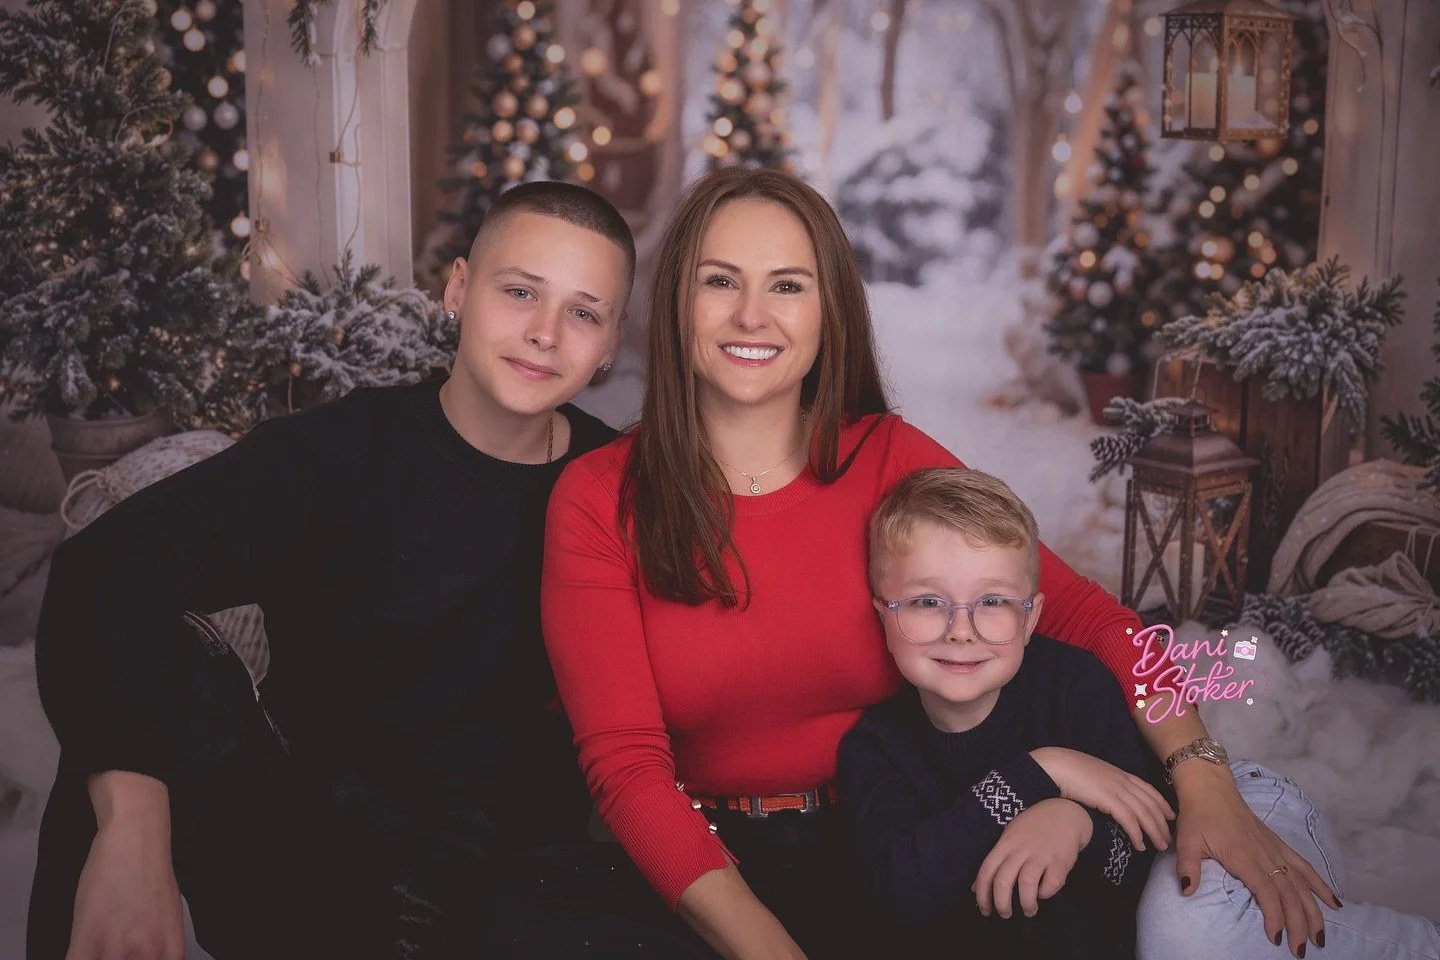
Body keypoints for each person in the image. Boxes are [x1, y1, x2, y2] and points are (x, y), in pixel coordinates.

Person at [541, 165, 1344, 960]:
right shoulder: (601, 496)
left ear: (830, 314)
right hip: (698, 867)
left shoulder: (890, 461)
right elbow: (627, 767)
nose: (753, 315)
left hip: (900, 832)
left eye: (788, 286)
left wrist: (1202, 776)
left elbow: (1086, 616)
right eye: (721, 280)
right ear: (678, 300)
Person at [26, 181, 675, 960]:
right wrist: (133, 828)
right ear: (459, 289)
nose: (544, 333)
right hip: (312, 859)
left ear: (609, 345)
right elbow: (106, 568)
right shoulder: (336, 453)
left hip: (506, 886)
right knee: (129, 691)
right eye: (519, 292)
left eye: (582, 312)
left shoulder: (621, 486)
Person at [839, 466, 1173, 959]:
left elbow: (1147, 859)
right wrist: (1040, 774)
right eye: (927, 602)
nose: (960, 630)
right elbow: (903, 893)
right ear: (883, 616)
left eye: (992, 601)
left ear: (1031, 616)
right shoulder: (874, 747)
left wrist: (1075, 823)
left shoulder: (1078, 689)